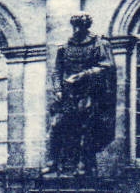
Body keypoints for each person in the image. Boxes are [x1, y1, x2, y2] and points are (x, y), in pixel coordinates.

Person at [46, 13, 116, 175]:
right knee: (57, 125)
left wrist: (84, 75)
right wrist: (57, 89)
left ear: (87, 26)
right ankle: (53, 161)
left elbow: (107, 67)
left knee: (86, 127)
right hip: (68, 93)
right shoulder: (64, 47)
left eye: (80, 26)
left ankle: (84, 163)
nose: (77, 29)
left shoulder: (99, 44)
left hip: (90, 91)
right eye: (75, 25)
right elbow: (57, 71)